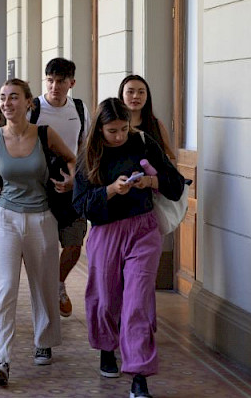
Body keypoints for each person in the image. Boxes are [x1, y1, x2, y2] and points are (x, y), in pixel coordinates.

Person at [72, 98, 185, 397]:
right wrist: (110, 190)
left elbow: (174, 185)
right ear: (99, 129)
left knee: (137, 302)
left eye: (124, 128)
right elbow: (80, 206)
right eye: (112, 131)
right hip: (106, 233)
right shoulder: (88, 155)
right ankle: (107, 347)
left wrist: (150, 181)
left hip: (143, 229)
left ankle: (139, 375)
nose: (120, 136)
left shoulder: (143, 144)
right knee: (106, 299)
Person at [0, 79, 76, 386]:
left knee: (43, 282)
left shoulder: (44, 134)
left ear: (29, 103)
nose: (7, 103)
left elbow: (73, 160)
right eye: (3, 98)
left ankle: (43, 339)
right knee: (5, 287)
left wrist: (70, 180)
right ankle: (0, 357)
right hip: (7, 217)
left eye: (14, 97)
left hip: (42, 217)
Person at [29, 57, 91, 318]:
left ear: (71, 83)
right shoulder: (34, 108)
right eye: (50, 81)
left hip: (72, 187)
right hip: (40, 188)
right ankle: (45, 298)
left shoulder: (78, 108)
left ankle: (58, 282)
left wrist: (76, 180)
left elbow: (85, 147)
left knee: (74, 243)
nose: (55, 86)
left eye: (61, 81)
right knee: (44, 247)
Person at [118, 75, 176, 159]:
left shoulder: (156, 125)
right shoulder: (113, 125)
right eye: (130, 92)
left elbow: (171, 158)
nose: (136, 96)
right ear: (122, 95)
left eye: (141, 92)